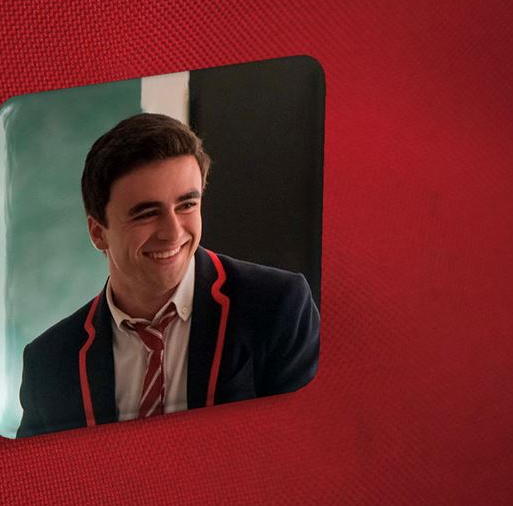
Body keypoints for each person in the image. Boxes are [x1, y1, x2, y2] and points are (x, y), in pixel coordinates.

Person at [16, 113, 319, 438]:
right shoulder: (48, 364)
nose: (173, 233)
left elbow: (309, 445)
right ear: (98, 233)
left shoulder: (278, 307)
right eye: (147, 214)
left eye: (187, 205)